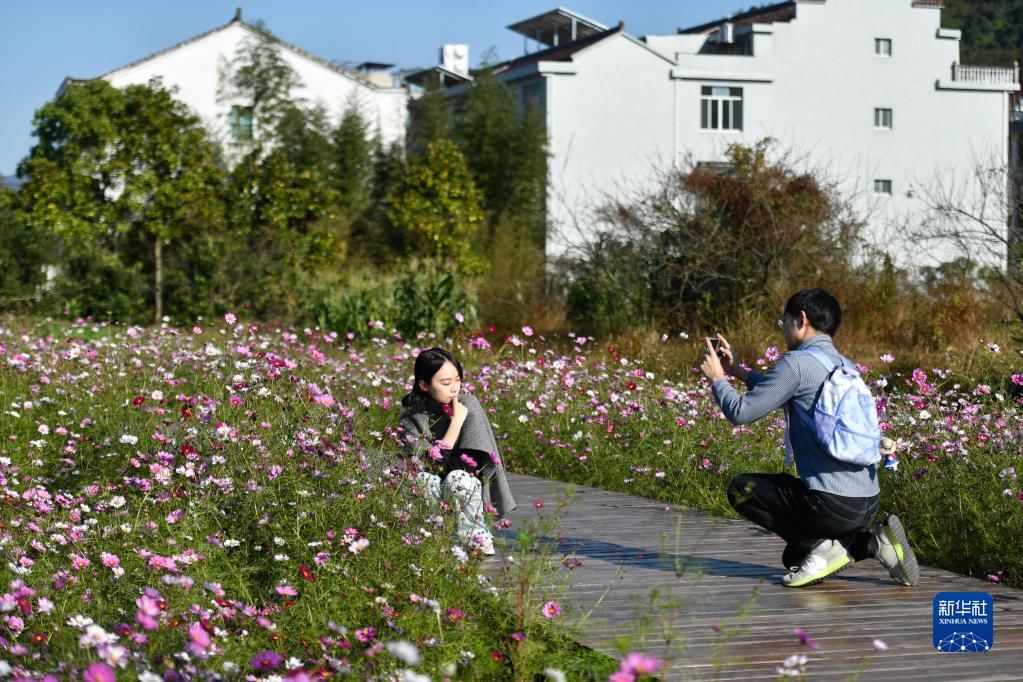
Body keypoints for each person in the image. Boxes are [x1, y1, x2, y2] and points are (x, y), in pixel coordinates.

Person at [698, 288, 919, 588]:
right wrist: (736, 370)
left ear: (800, 319)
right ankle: (872, 543)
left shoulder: (797, 364)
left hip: (830, 504)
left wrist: (717, 379)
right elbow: (781, 389)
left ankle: (839, 548)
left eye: (784, 322)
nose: (784, 330)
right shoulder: (844, 365)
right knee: (795, 554)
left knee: (742, 490)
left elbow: (740, 412)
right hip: (866, 501)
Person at [397, 347, 516, 556]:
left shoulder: (467, 403)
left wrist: (460, 418)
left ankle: (477, 537)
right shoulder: (410, 419)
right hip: (431, 486)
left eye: (458, 380)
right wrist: (455, 424)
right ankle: (436, 538)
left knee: (456, 478)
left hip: (465, 481)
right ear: (424, 385)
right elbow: (427, 466)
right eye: (445, 383)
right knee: (423, 479)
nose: (454, 388)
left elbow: (472, 464)